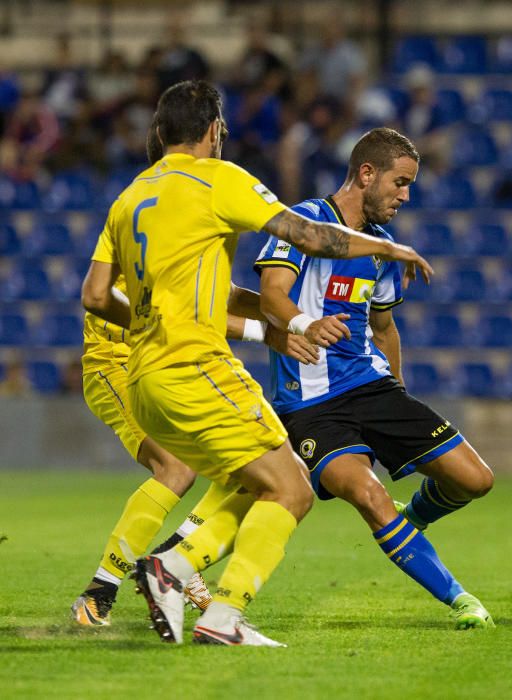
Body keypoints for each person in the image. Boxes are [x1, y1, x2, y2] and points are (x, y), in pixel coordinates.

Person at [81, 80, 432, 646]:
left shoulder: (128, 198)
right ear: (215, 131)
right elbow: (310, 235)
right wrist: (390, 248)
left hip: (144, 379)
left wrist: (155, 326)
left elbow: (96, 296)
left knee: (254, 480)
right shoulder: (219, 177)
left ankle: (184, 586)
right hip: (196, 368)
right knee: (294, 488)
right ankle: (202, 599)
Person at [71, 122, 320, 628]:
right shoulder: (166, 211)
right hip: (115, 363)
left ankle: (178, 559)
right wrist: (266, 331)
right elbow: (191, 312)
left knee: (250, 469)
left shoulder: (165, 211)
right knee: (178, 469)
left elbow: (219, 296)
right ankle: (100, 593)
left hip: (158, 361)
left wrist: (289, 315)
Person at [255, 127, 495, 629]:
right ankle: (461, 600)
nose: (406, 196)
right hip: (310, 405)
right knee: (368, 494)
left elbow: (384, 328)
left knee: (476, 480)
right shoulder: (304, 222)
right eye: (400, 183)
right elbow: (272, 295)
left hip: (373, 389)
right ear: (367, 173)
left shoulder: (383, 249)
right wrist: (305, 322)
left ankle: (416, 519)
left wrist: (398, 396)